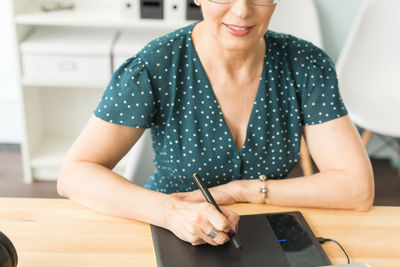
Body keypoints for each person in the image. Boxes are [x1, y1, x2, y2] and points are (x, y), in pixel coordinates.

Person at [57, 0, 374, 247]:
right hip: (170, 230)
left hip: (270, 232)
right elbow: (74, 174)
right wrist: (173, 213)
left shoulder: (307, 65)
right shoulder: (156, 63)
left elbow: (356, 189)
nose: (242, 10)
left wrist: (241, 191)